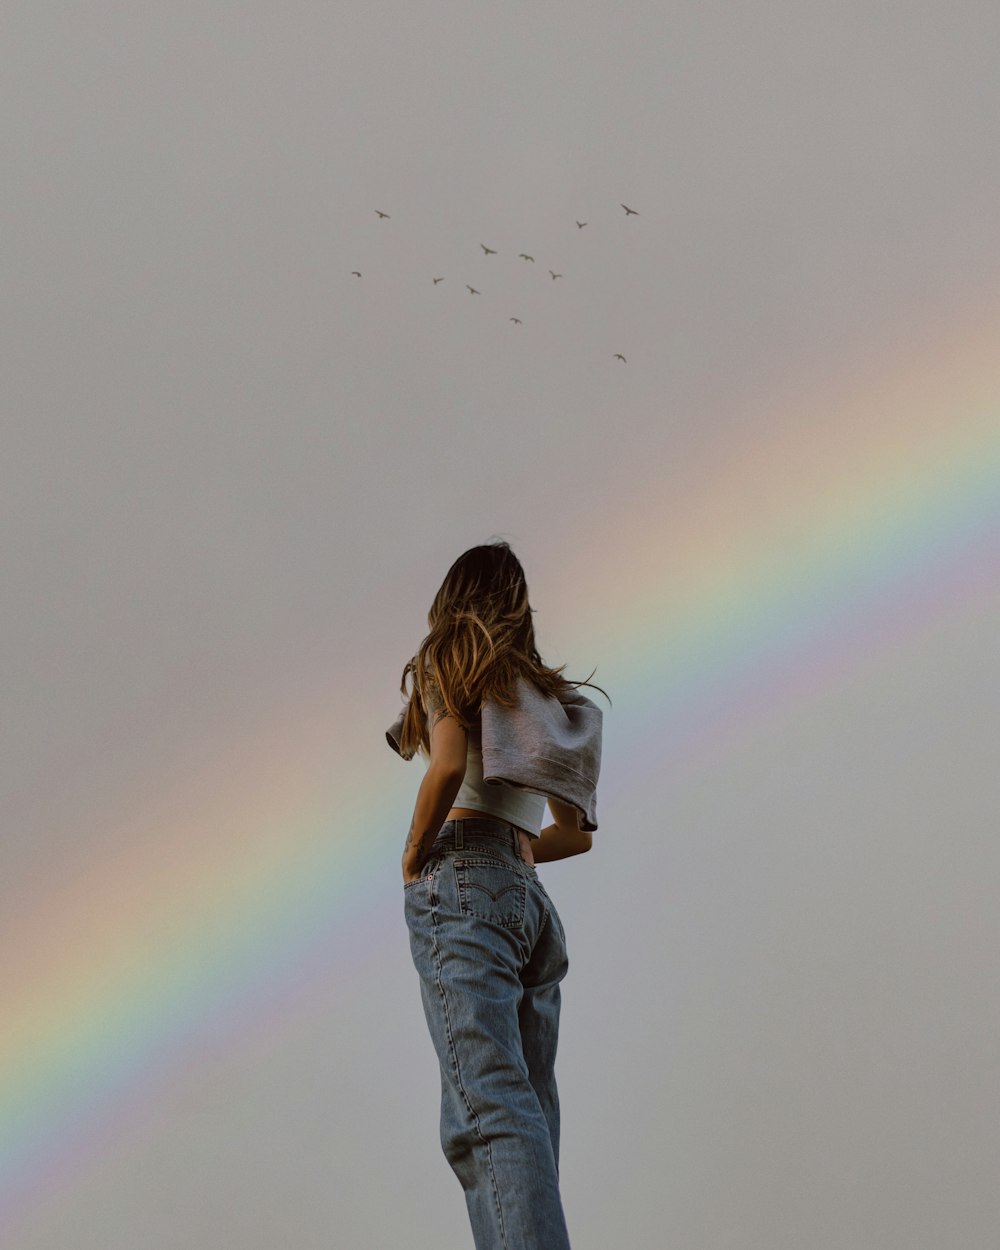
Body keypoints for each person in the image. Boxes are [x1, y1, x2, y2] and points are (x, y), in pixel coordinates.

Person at [386, 541, 607, 1250]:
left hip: (465, 883)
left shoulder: (445, 657)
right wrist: (515, 856)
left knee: (486, 1113)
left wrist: (417, 852)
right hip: (531, 904)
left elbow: (448, 764)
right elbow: (575, 836)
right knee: (528, 1114)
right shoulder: (542, 698)